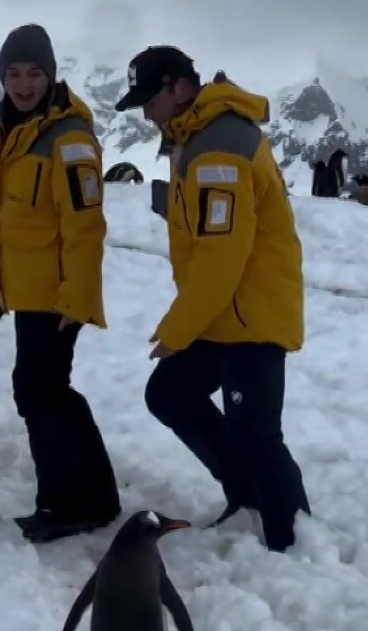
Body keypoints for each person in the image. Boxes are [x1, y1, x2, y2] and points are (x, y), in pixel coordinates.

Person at [111, 46, 310, 553]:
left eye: (150, 99)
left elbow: (224, 254)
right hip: (224, 313)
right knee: (171, 394)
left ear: (179, 87)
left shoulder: (218, 146)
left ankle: (293, 543)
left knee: (257, 433)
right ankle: (247, 499)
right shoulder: (195, 137)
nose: (146, 111)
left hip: (249, 315)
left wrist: (179, 329)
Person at [0, 24, 122, 544]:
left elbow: (86, 228)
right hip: (27, 292)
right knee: (47, 392)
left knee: (40, 392)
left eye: (32, 72)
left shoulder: (69, 140)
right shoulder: (10, 132)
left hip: (57, 296)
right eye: (13, 72)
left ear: (51, 75)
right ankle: (95, 498)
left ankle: (66, 504)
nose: (22, 83)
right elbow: (4, 220)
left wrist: (77, 299)